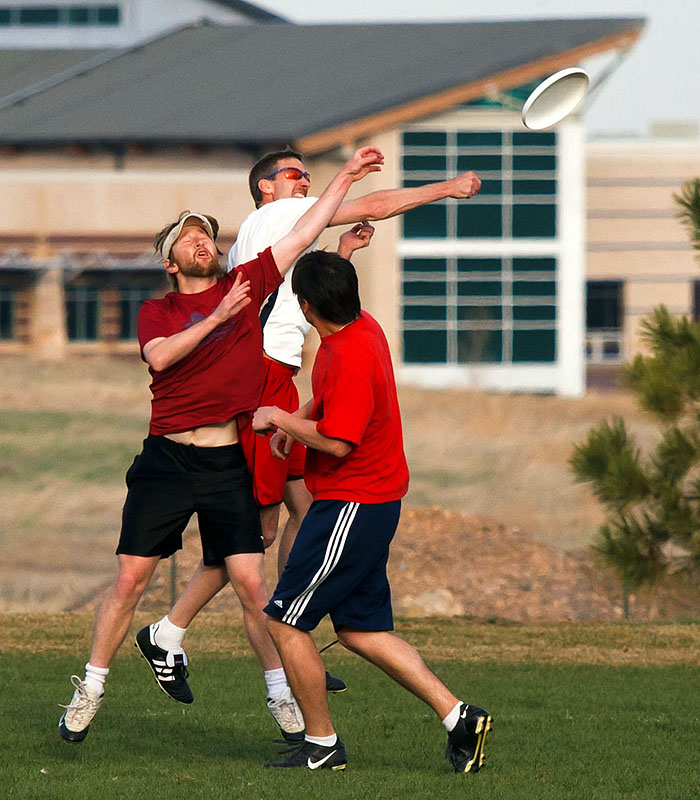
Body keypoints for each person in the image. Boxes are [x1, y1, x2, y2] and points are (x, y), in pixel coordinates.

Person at [57, 146, 385, 745]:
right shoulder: (159, 310)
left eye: (206, 233)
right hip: (166, 459)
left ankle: (283, 698)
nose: (201, 241)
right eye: (188, 238)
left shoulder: (247, 278)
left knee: (255, 585)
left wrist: (344, 178)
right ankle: (91, 688)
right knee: (130, 580)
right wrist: (217, 319)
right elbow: (159, 357)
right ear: (170, 261)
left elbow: (307, 226)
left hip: (225, 462)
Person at [148, 149, 482, 687]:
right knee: (253, 534)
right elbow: (371, 202)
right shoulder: (274, 216)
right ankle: (174, 628)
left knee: (305, 503)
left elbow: (308, 299)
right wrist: (444, 189)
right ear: (265, 190)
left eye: (308, 174)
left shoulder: (279, 229)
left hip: (277, 377)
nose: (305, 181)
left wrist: (343, 254)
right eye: (293, 175)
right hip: (260, 377)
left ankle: (292, 624)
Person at [251, 250, 492, 773]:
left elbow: (338, 443)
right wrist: (296, 418)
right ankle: (460, 717)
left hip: (352, 505)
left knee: (284, 623)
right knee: (359, 631)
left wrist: (277, 419)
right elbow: (329, 404)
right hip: (371, 502)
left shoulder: (349, 354)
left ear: (305, 304)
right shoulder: (362, 328)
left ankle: (321, 745)